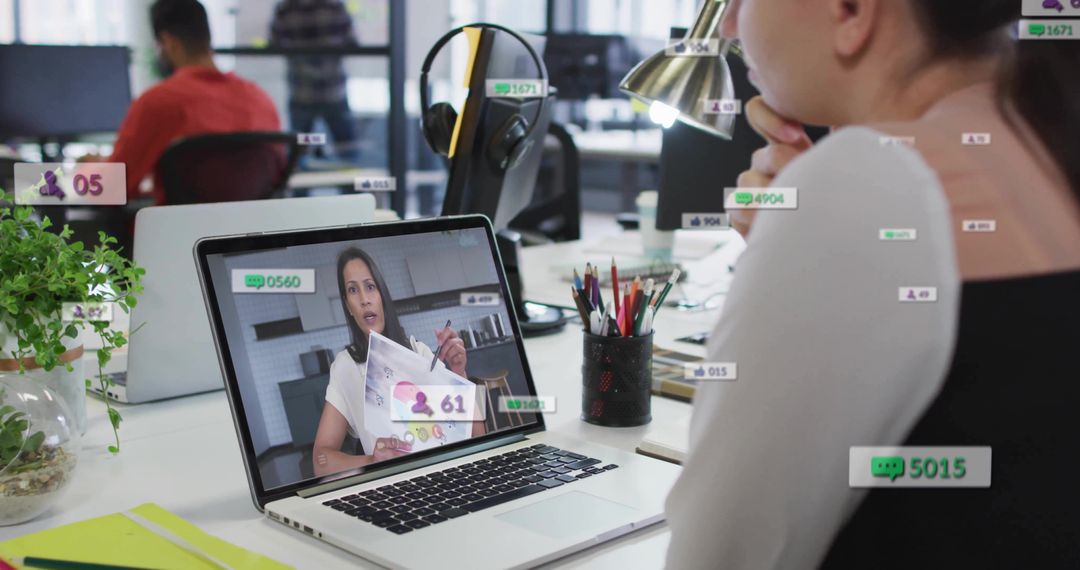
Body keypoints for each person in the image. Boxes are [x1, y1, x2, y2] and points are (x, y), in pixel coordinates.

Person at [664, 0, 1080, 568]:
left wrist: (810, 225)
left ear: (852, 10)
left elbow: (718, 554)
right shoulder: (1048, 138)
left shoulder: (866, 182)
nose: (731, 26)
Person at [312, 247, 483, 476]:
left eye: (370, 287)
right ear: (347, 306)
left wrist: (459, 373)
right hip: (394, 488)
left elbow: (477, 436)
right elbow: (320, 462)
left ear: (383, 295)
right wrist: (373, 460)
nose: (364, 300)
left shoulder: (419, 352)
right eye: (353, 290)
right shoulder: (346, 367)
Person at [107, 0, 282, 204]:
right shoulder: (259, 99)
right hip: (246, 233)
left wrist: (83, 171)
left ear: (168, 42)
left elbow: (111, 189)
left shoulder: (158, 102)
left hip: (175, 233)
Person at [270, 0, 359, 162]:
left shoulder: (286, 9)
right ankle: (350, 187)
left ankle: (301, 187)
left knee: (299, 154)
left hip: (301, 91)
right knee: (346, 151)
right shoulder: (334, 6)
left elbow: (275, 44)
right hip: (333, 91)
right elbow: (352, 42)